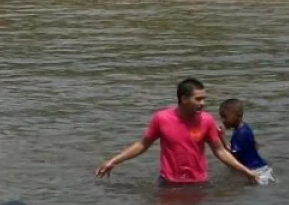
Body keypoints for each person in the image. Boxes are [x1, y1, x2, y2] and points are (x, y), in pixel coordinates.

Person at [96, 78, 261, 185]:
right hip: (169, 182)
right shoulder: (161, 118)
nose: (203, 103)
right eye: (198, 99)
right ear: (183, 99)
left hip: (199, 183)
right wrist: (113, 161)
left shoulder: (206, 120)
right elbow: (142, 144)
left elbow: (219, 151)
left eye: (204, 99)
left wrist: (245, 171)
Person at [219, 98, 272, 181]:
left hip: (254, 171)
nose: (223, 120)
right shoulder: (245, 127)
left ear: (238, 115)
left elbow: (231, 157)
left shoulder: (240, 134)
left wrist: (222, 137)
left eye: (225, 116)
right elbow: (255, 145)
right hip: (261, 166)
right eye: (221, 117)